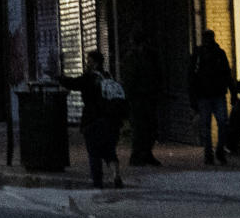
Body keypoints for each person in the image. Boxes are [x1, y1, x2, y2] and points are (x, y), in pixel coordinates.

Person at [59, 49, 124, 189]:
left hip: (93, 120)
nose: (86, 63)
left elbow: (72, 83)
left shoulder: (89, 78)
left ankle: (98, 183)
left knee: (94, 153)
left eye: (88, 60)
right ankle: (115, 175)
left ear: (94, 62)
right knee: (110, 151)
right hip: (111, 121)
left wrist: (59, 77)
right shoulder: (108, 76)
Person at [189, 29, 233, 165]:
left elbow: (191, 77)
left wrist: (193, 98)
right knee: (220, 123)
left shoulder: (202, 54)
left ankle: (211, 153)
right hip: (213, 94)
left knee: (209, 125)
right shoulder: (217, 54)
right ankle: (216, 152)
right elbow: (227, 74)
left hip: (208, 94)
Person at [122, 30, 163, 166]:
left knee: (148, 128)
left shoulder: (145, 56)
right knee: (141, 128)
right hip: (140, 97)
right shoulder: (136, 57)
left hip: (145, 97)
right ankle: (139, 155)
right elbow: (129, 79)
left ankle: (144, 154)